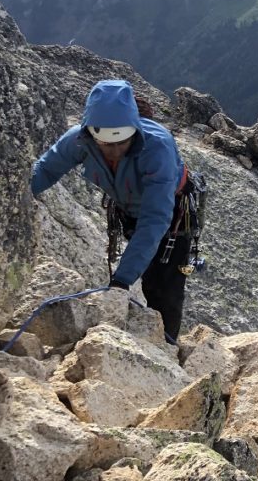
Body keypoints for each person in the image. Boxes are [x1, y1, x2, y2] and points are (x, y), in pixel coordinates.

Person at [31, 79, 191, 341]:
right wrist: (15, 197)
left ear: (134, 131)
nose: (115, 151)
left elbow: (155, 219)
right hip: (129, 208)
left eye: (121, 142)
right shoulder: (80, 141)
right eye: (107, 144)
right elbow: (46, 169)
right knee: (149, 272)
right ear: (92, 134)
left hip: (173, 216)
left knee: (163, 288)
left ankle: (169, 346)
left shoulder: (157, 148)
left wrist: (121, 280)